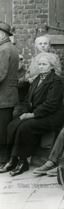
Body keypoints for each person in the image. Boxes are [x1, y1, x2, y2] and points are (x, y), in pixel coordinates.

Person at [0, 53, 64, 176]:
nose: (41, 67)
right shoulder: (37, 79)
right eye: (40, 64)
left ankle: (23, 161)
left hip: (51, 117)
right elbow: (27, 99)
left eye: (44, 64)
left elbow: (50, 105)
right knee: (12, 125)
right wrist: (25, 112)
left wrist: (31, 115)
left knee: (25, 127)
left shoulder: (56, 81)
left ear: (51, 66)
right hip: (36, 113)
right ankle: (13, 159)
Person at [0, 22, 19, 164]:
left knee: (2, 130)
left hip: (3, 96)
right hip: (8, 95)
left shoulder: (4, 49)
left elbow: (1, 74)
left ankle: (3, 159)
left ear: (2, 34)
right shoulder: (11, 48)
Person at [13, 55, 30, 119]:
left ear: (22, 63)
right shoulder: (8, 71)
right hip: (9, 101)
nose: (17, 64)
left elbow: (20, 83)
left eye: (19, 62)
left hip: (20, 103)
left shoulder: (25, 73)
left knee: (13, 115)